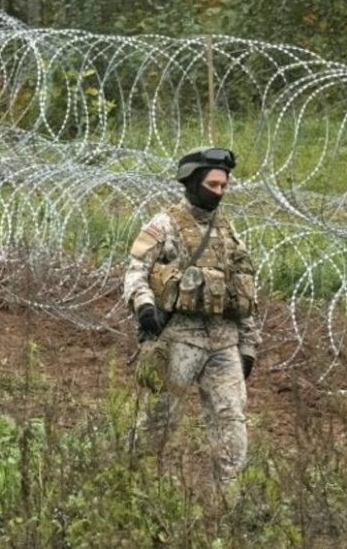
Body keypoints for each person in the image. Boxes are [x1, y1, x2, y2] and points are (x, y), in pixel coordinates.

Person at [123, 146, 261, 486]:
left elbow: (242, 290)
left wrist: (248, 346)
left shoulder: (228, 232)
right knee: (158, 420)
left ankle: (227, 501)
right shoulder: (164, 225)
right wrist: (144, 306)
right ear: (193, 182)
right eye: (213, 185)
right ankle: (133, 485)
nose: (219, 192)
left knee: (232, 423)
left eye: (223, 186)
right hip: (180, 339)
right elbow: (136, 270)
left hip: (223, 343)